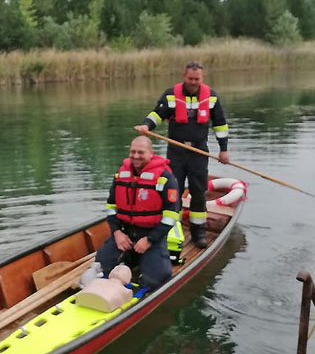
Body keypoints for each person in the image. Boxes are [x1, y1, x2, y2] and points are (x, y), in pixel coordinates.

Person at [134, 61, 229, 249]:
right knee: (172, 193)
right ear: (184, 76)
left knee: (198, 193)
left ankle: (198, 232)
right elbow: (157, 114)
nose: (193, 82)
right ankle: (171, 232)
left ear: (202, 78)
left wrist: (223, 149)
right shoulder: (171, 94)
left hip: (199, 152)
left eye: (197, 79)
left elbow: (220, 124)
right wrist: (146, 125)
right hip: (176, 153)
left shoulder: (211, 97)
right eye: (190, 78)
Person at [95, 136, 182, 289]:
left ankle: (141, 259)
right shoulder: (121, 175)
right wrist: (116, 233)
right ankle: (131, 256)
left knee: (157, 279)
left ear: (150, 153)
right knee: (101, 266)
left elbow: (171, 215)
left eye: (140, 152)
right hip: (125, 234)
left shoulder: (165, 178)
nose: (135, 156)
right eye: (132, 152)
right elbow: (111, 207)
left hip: (152, 235)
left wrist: (149, 240)